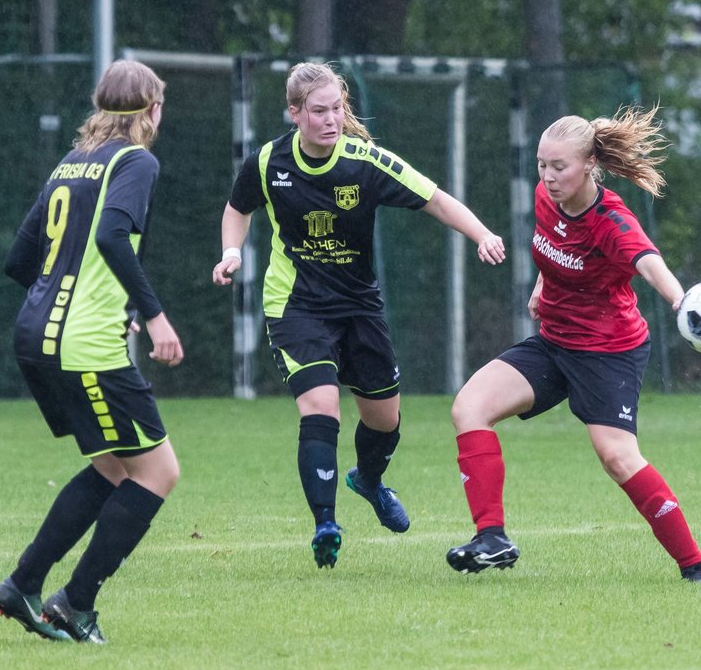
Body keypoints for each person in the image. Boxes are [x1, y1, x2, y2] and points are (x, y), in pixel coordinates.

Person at [212, 61, 505, 569]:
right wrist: (232, 252)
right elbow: (237, 208)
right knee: (321, 404)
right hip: (295, 305)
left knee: (384, 420)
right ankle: (325, 523)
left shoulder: (364, 161)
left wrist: (481, 235)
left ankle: (368, 480)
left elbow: (433, 198)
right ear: (295, 113)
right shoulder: (269, 162)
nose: (331, 119)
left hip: (358, 307)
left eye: (338, 109)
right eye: (320, 111)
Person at [446, 107, 701, 583]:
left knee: (617, 458)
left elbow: (648, 261)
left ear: (590, 164)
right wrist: (539, 288)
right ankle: (492, 539)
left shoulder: (611, 220)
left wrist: (681, 301)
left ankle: (695, 565)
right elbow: (555, 250)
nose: (548, 177)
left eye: (559, 166)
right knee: (469, 407)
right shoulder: (547, 198)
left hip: (609, 352)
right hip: (554, 342)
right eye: (542, 165)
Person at [0, 59, 184, 644]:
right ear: (151, 108)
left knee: (113, 468)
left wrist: (64, 304)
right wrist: (154, 316)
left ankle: (22, 584)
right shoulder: (136, 161)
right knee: (157, 472)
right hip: (85, 347)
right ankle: (75, 603)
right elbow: (109, 236)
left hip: (35, 336)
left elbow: (19, 263)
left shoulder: (70, 164)